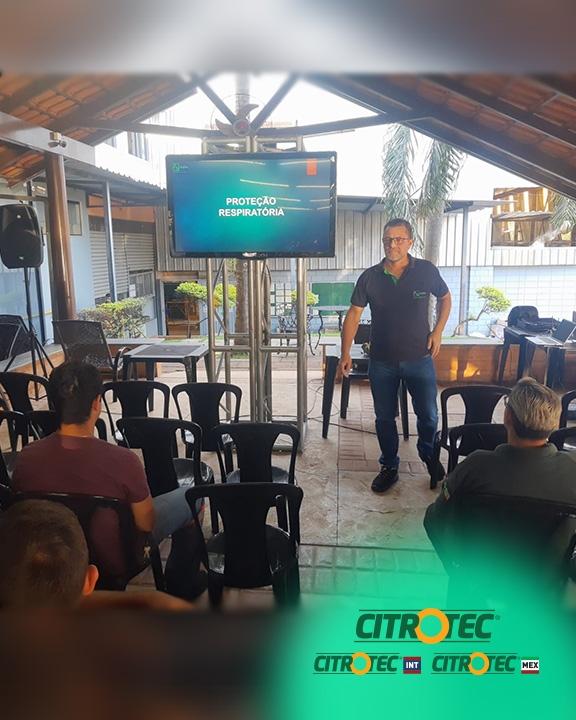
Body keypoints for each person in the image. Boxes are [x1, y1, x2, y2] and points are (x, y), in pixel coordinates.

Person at [12, 361, 205, 600]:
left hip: (54, 560)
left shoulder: (27, 457)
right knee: (192, 498)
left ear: (53, 404)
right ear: (97, 403)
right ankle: (182, 582)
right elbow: (147, 524)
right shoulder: (123, 460)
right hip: (118, 560)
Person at [338, 218, 451, 493]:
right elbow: (353, 314)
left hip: (419, 358)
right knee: (384, 418)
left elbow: (445, 298)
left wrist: (438, 331)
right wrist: (345, 352)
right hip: (382, 361)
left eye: (399, 239)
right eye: (388, 239)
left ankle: (428, 453)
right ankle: (389, 465)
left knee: (429, 416)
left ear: (410, 242)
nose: (392, 244)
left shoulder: (426, 270)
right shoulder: (370, 277)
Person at [424, 377, 576, 569]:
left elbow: (435, 521)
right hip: (548, 584)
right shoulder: (572, 471)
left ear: (507, 417)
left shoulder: (474, 467)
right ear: (554, 425)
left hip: (479, 578)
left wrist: (458, 569)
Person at [0, 499, 193, 610]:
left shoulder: (27, 457)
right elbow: (147, 523)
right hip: (122, 559)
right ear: (90, 580)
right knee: (188, 500)